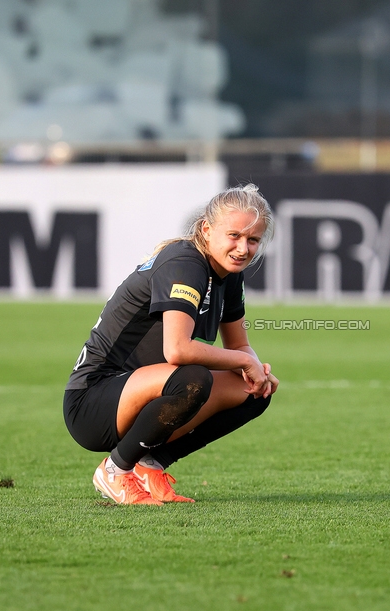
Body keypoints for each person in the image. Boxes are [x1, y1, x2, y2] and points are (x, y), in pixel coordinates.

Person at [63, 184, 279, 505]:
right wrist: (242, 361)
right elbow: (176, 350)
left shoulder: (231, 274)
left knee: (254, 391)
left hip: (146, 394)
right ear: (207, 229)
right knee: (193, 377)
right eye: (234, 235)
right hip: (94, 402)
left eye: (252, 240)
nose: (243, 248)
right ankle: (115, 470)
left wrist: (254, 366)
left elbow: (239, 345)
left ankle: (150, 465)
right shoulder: (185, 263)